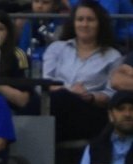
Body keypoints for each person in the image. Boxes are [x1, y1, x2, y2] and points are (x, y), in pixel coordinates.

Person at [43, 0, 120, 141]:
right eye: (80, 19)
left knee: (62, 98)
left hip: (90, 111)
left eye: (90, 20)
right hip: (55, 106)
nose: (84, 24)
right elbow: (45, 83)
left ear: (100, 24)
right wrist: (71, 91)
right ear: (73, 23)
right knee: (36, 101)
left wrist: (89, 96)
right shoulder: (57, 48)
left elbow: (111, 95)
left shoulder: (113, 56)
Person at [77, 90, 133, 164]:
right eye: (121, 109)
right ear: (110, 115)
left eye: (132, 109)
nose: (127, 114)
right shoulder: (94, 147)